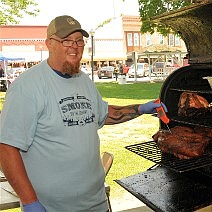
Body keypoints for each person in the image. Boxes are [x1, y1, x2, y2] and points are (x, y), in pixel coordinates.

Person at [0, 15, 167, 212]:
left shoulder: (83, 80)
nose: (75, 46)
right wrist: (29, 201)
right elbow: (6, 147)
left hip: (96, 203)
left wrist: (140, 109)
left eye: (79, 41)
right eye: (67, 41)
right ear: (49, 44)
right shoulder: (27, 86)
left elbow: (104, 114)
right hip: (52, 207)